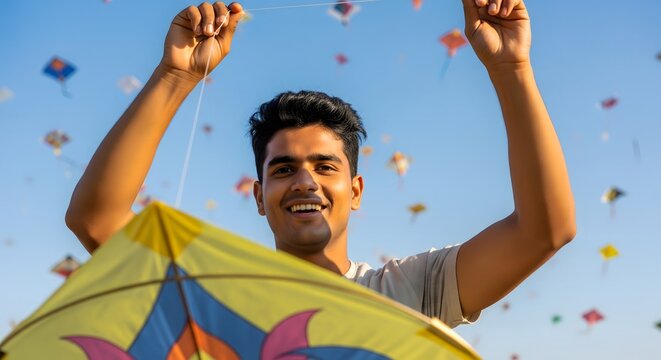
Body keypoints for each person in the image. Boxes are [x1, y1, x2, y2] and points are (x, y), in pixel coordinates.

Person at [66, 0, 575, 329]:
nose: (305, 180)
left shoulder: (412, 290)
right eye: (283, 169)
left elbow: (542, 231)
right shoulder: (221, 297)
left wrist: (512, 68)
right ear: (260, 196)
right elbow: (96, 221)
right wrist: (174, 76)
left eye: (325, 166)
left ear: (356, 190)